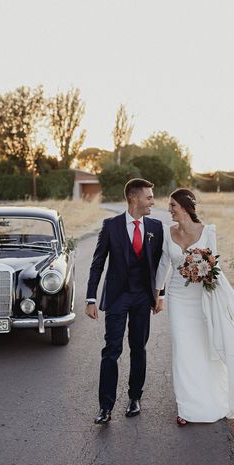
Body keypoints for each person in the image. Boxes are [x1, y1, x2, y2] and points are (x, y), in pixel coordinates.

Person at [155, 188, 234, 425]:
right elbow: (163, 264)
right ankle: (187, 407)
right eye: (169, 206)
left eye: (173, 206)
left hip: (203, 298)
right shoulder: (167, 232)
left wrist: (206, 274)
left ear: (185, 207)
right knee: (183, 349)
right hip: (178, 296)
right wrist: (158, 293)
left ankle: (213, 399)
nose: (169, 210)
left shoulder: (208, 232)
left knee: (205, 347)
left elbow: (215, 267)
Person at [86, 178, 165, 424]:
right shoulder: (111, 226)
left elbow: (161, 264)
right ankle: (105, 407)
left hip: (143, 298)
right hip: (118, 297)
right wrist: (91, 297)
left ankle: (134, 397)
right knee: (111, 350)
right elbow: (97, 264)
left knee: (138, 348)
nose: (153, 201)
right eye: (149, 197)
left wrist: (159, 295)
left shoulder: (156, 227)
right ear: (134, 199)